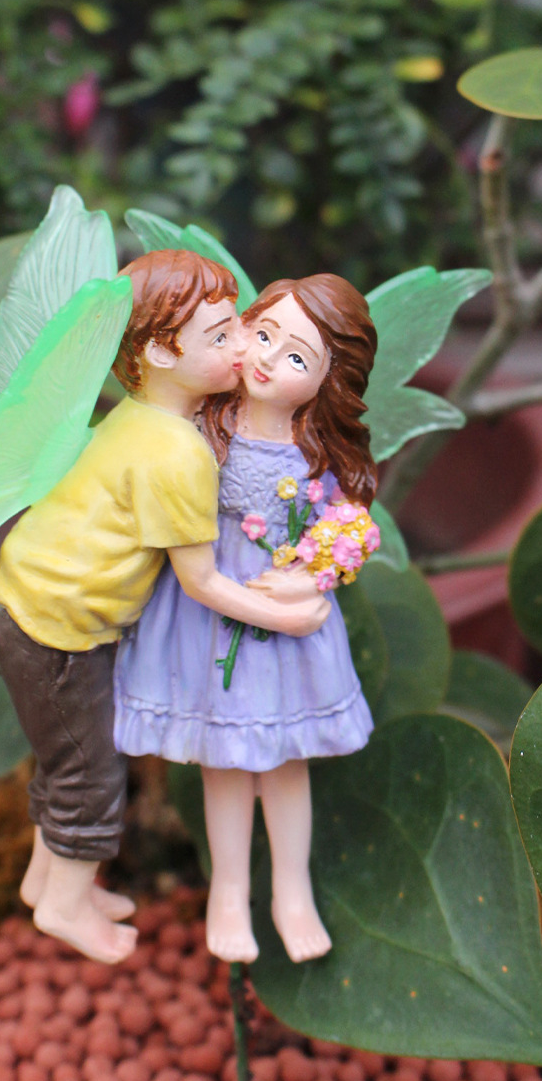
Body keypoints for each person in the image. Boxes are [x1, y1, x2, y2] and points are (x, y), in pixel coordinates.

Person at [0, 251, 331, 964]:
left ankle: (44, 881)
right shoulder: (177, 452)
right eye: (221, 336)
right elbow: (201, 582)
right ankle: (63, 908)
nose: (242, 345)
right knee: (90, 776)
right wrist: (287, 617)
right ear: (160, 353)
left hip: (33, 605)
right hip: (61, 627)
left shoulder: (142, 415)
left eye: (239, 325)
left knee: (63, 759)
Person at [113, 274, 378, 965]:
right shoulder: (206, 426)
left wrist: (310, 575)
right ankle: (228, 891)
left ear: (326, 381)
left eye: (295, 357)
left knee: (286, 764)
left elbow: (349, 526)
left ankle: (292, 890)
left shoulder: (318, 450)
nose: (265, 358)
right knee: (223, 763)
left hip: (285, 621)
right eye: (262, 334)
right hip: (204, 613)